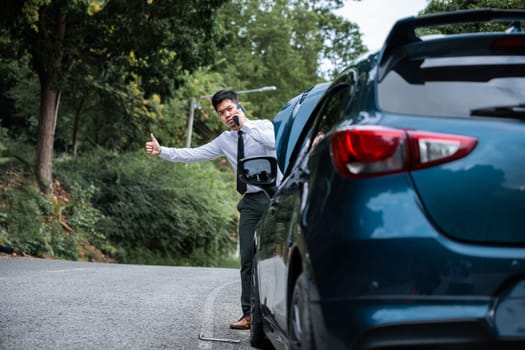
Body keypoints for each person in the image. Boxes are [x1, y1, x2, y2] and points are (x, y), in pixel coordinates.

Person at [145, 89, 278, 330]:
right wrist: (161, 151)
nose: (227, 115)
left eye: (229, 109)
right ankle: (248, 315)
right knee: (247, 259)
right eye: (221, 113)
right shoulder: (224, 140)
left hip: (273, 198)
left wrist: (244, 126)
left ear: (239, 106)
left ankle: (276, 312)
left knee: (273, 258)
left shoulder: (264, 126)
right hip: (249, 203)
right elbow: (193, 154)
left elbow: (273, 143)